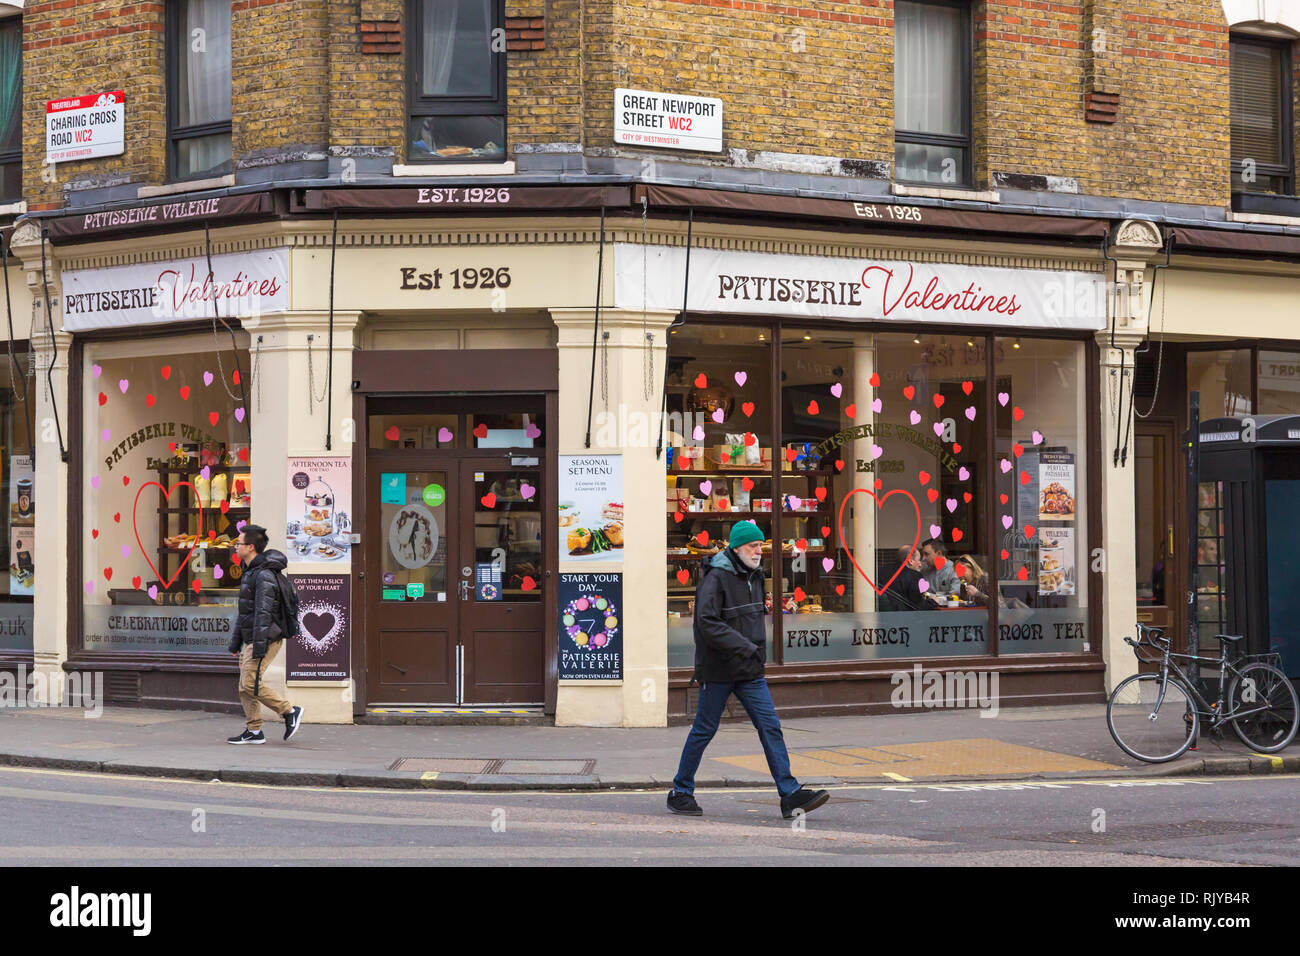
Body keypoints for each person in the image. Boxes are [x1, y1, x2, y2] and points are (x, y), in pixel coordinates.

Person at [668, 520, 829, 820]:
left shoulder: (754, 576)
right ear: (738, 547)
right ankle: (681, 791)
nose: (759, 551)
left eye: (760, 546)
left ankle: (789, 794)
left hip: (750, 670)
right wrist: (743, 646)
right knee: (704, 730)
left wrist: (755, 654)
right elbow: (706, 623)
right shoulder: (716, 578)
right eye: (754, 546)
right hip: (718, 670)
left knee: (770, 727)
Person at [226, 525, 304, 744]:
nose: (235, 547)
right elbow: (245, 612)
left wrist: (258, 645)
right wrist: (236, 643)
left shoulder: (263, 575)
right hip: (253, 637)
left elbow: (264, 613)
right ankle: (254, 731)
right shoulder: (250, 571)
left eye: (238, 543)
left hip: (265, 638)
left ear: (250, 547)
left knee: (250, 683)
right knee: (245, 685)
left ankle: (289, 711)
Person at [886, 545, 927, 610]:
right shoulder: (915, 576)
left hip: (882, 617)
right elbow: (919, 606)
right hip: (906, 617)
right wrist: (934, 601)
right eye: (919, 560)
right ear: (910, 561)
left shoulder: (881, 571)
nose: (920, 564)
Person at [921, 537, 959, 601]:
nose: (923, 558)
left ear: (939, 553)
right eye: (923, 554)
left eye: (926, 554)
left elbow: (954, 597)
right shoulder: (924, 571)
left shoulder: (954, 571)